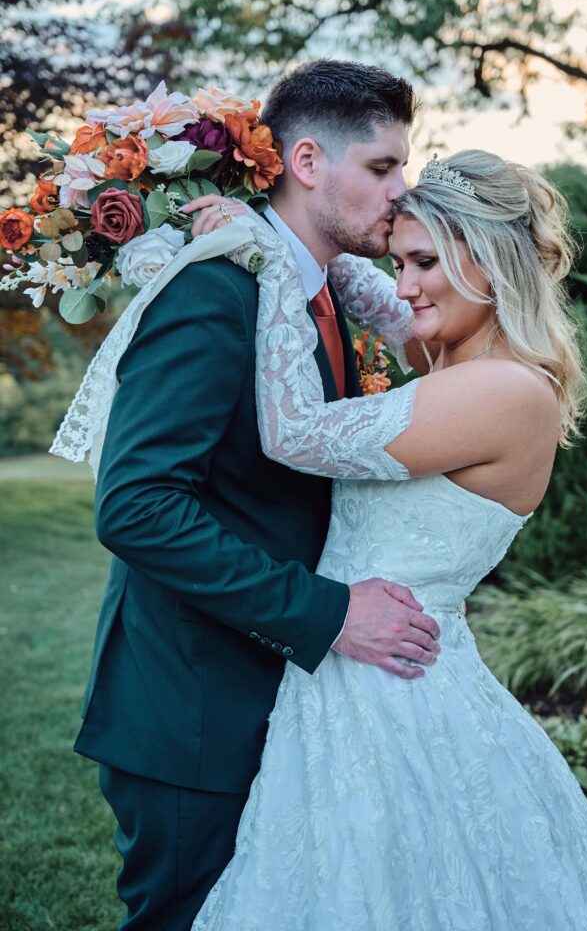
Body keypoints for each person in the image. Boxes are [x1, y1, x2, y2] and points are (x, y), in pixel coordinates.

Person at [190, 150, 587, 930]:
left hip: (393, 693)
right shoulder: (456, 359)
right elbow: (365, 290)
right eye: (401, 261)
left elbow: (295, 434)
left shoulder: (501, 391)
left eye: (424, 263)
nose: (404, 284)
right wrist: (291, 222)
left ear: (492, 263)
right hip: (368, 668)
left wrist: (267, 263)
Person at [67, 61, 444, 931]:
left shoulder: (325, 299)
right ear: (307, 161)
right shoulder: (214, 287)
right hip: (192, 710)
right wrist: (328, 613)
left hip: (284, 700)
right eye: (383, 168)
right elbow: (137, 506)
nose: (400, 191)